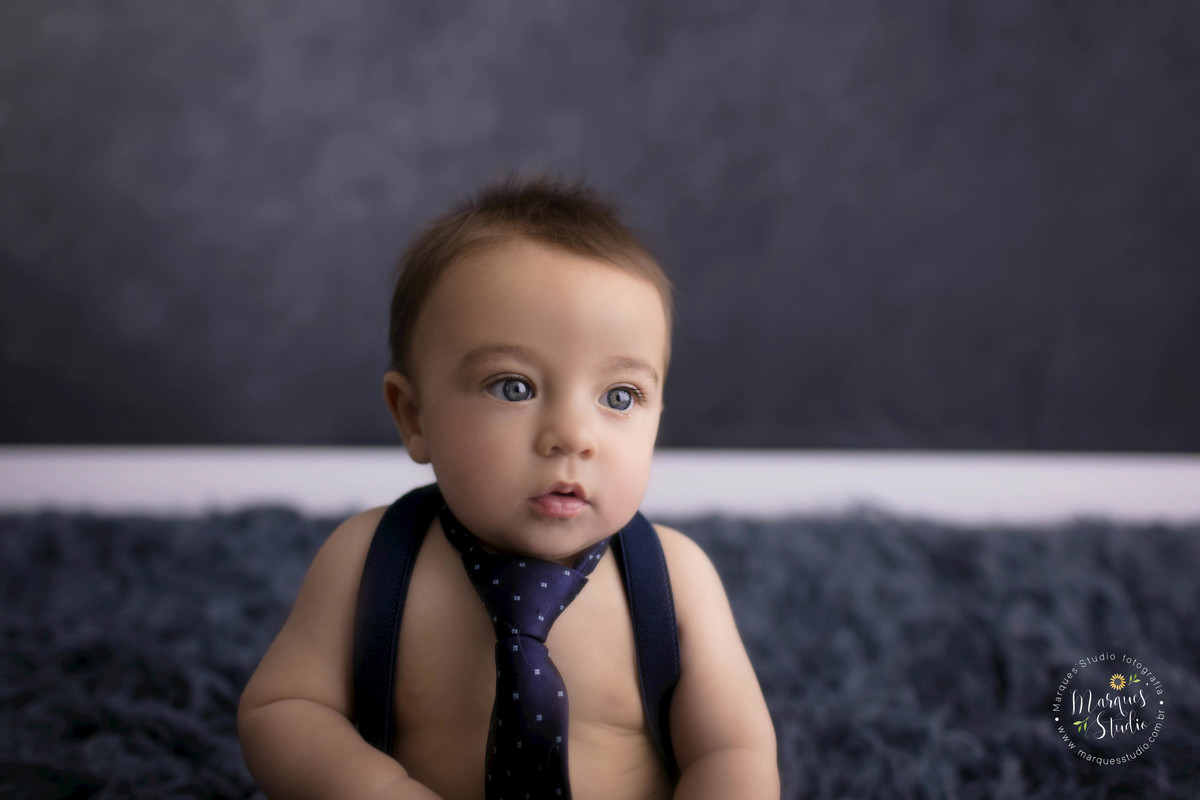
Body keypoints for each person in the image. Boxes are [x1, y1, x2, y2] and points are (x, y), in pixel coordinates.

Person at [237, 176, 779, 799]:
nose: (573, 436)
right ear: (414, 417)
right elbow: (283, 709)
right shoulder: (371, 560)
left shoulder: (674, 580)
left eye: (619, 396)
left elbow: (732, 749)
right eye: (513, 387)